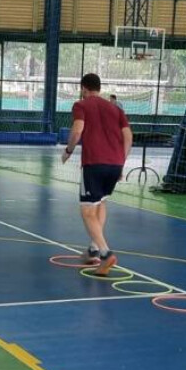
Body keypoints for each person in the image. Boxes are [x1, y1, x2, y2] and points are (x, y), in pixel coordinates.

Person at [61, 73, 132, 276]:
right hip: (115, 164)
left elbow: (77, 130)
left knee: (87, 211)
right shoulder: (116, 109)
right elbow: (128, 136)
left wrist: (68, 151)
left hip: (94, 163)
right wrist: (121, 162)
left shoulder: (81, 105)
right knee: (100, 202)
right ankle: (93, 249)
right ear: (99, 88)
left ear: (83, 88)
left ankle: (105, 253)